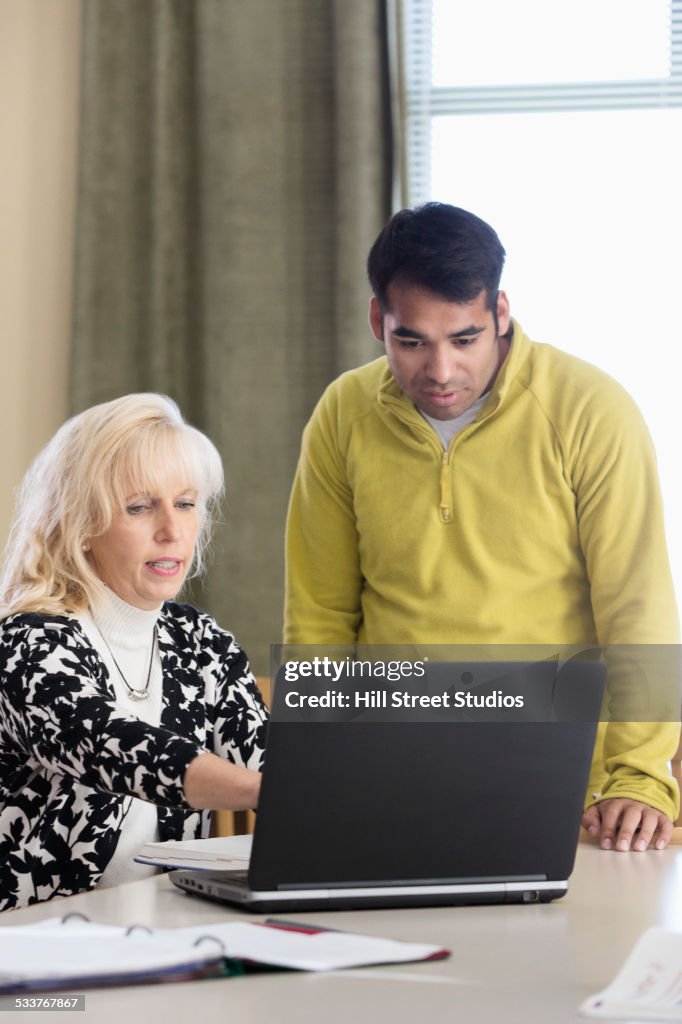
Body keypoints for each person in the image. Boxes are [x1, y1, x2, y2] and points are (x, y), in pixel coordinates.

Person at [284, 202, 680, 853]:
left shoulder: (590, 410)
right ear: (377, 320)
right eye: (411, 341)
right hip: (395, 775)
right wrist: (319, 767)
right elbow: (321, 612)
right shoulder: (343, 414)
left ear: (500, 312)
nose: (440, 371)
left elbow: (637, 605)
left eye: (463, 338)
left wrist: (637, 775)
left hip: (570, 789)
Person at [0, 394, 267, 910]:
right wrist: (271, 791)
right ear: (81, 526)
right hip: (27, 952)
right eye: (140, 507)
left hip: (163, 935)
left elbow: (266, 754)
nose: (171, 530)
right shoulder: (26, 645)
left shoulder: (201, 642)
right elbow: (118, 748)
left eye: (185, 504)